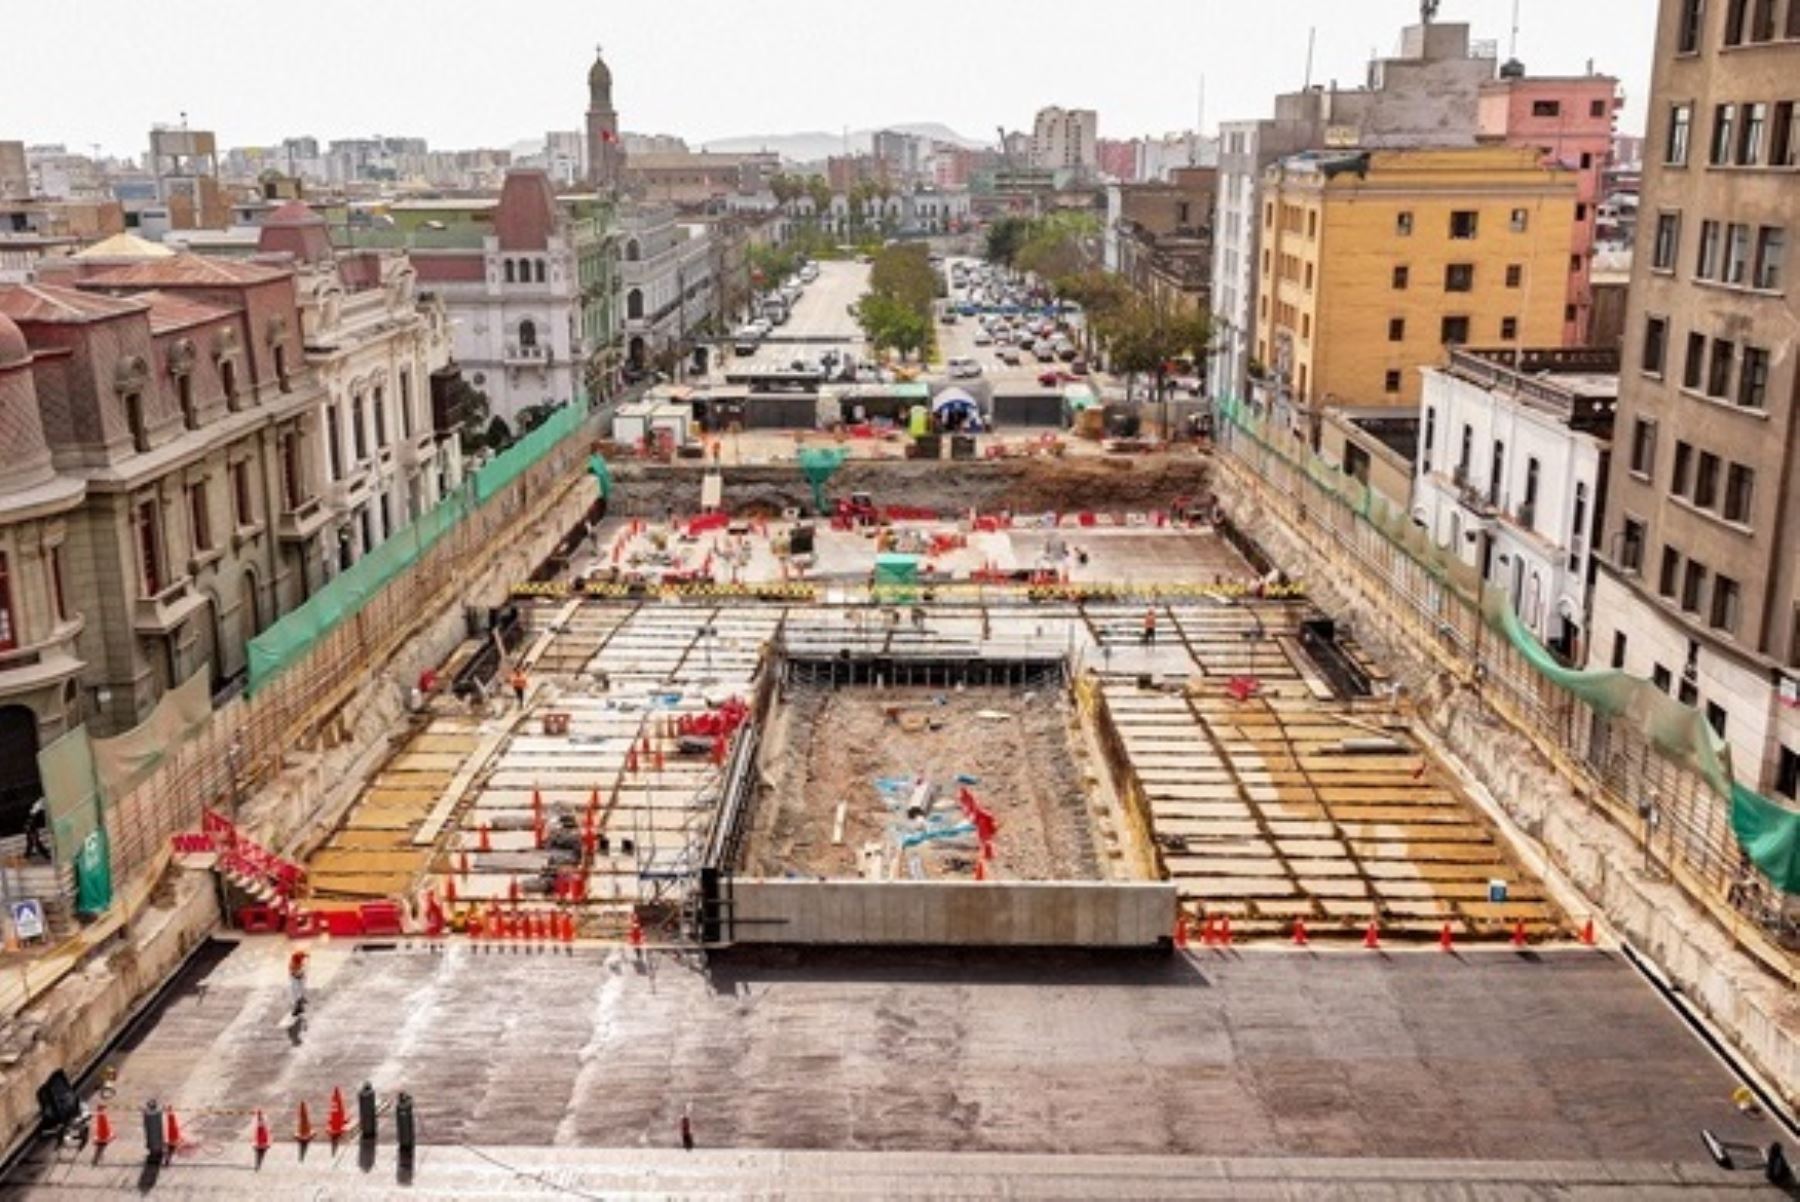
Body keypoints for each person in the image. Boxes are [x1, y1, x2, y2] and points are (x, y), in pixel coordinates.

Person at [288, 950, 308, 1016]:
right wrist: (298, 975)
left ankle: (299, 1005)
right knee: (296, 993)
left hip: (299, 980)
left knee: (299, 991)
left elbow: (301, 975)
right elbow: (295, 975)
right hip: (295, 981)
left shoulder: (301, 965)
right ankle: (298, 1007)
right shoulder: (292, 966)